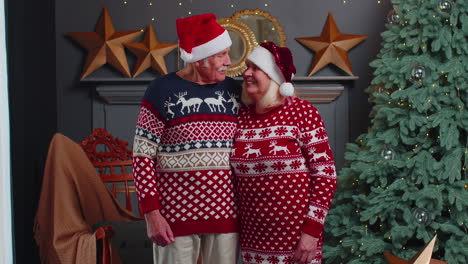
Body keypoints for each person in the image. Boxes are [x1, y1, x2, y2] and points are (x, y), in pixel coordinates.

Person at [132, 13, 241, 264]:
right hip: (174, 217)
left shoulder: (235, 91)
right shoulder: (161, 90)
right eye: (221, 54)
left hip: (225, 214)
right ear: (200, 58)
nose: (229, 61)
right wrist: (152, 214)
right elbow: (142, 155)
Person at [230, 42, 337, 264]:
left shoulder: (302, 113)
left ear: (273, 76)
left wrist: (311, 233)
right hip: (253, 241)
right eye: (247, 67)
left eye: (255, 68)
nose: (246, 73)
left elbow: (325, 176)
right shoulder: (241, 118)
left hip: (297, 239)